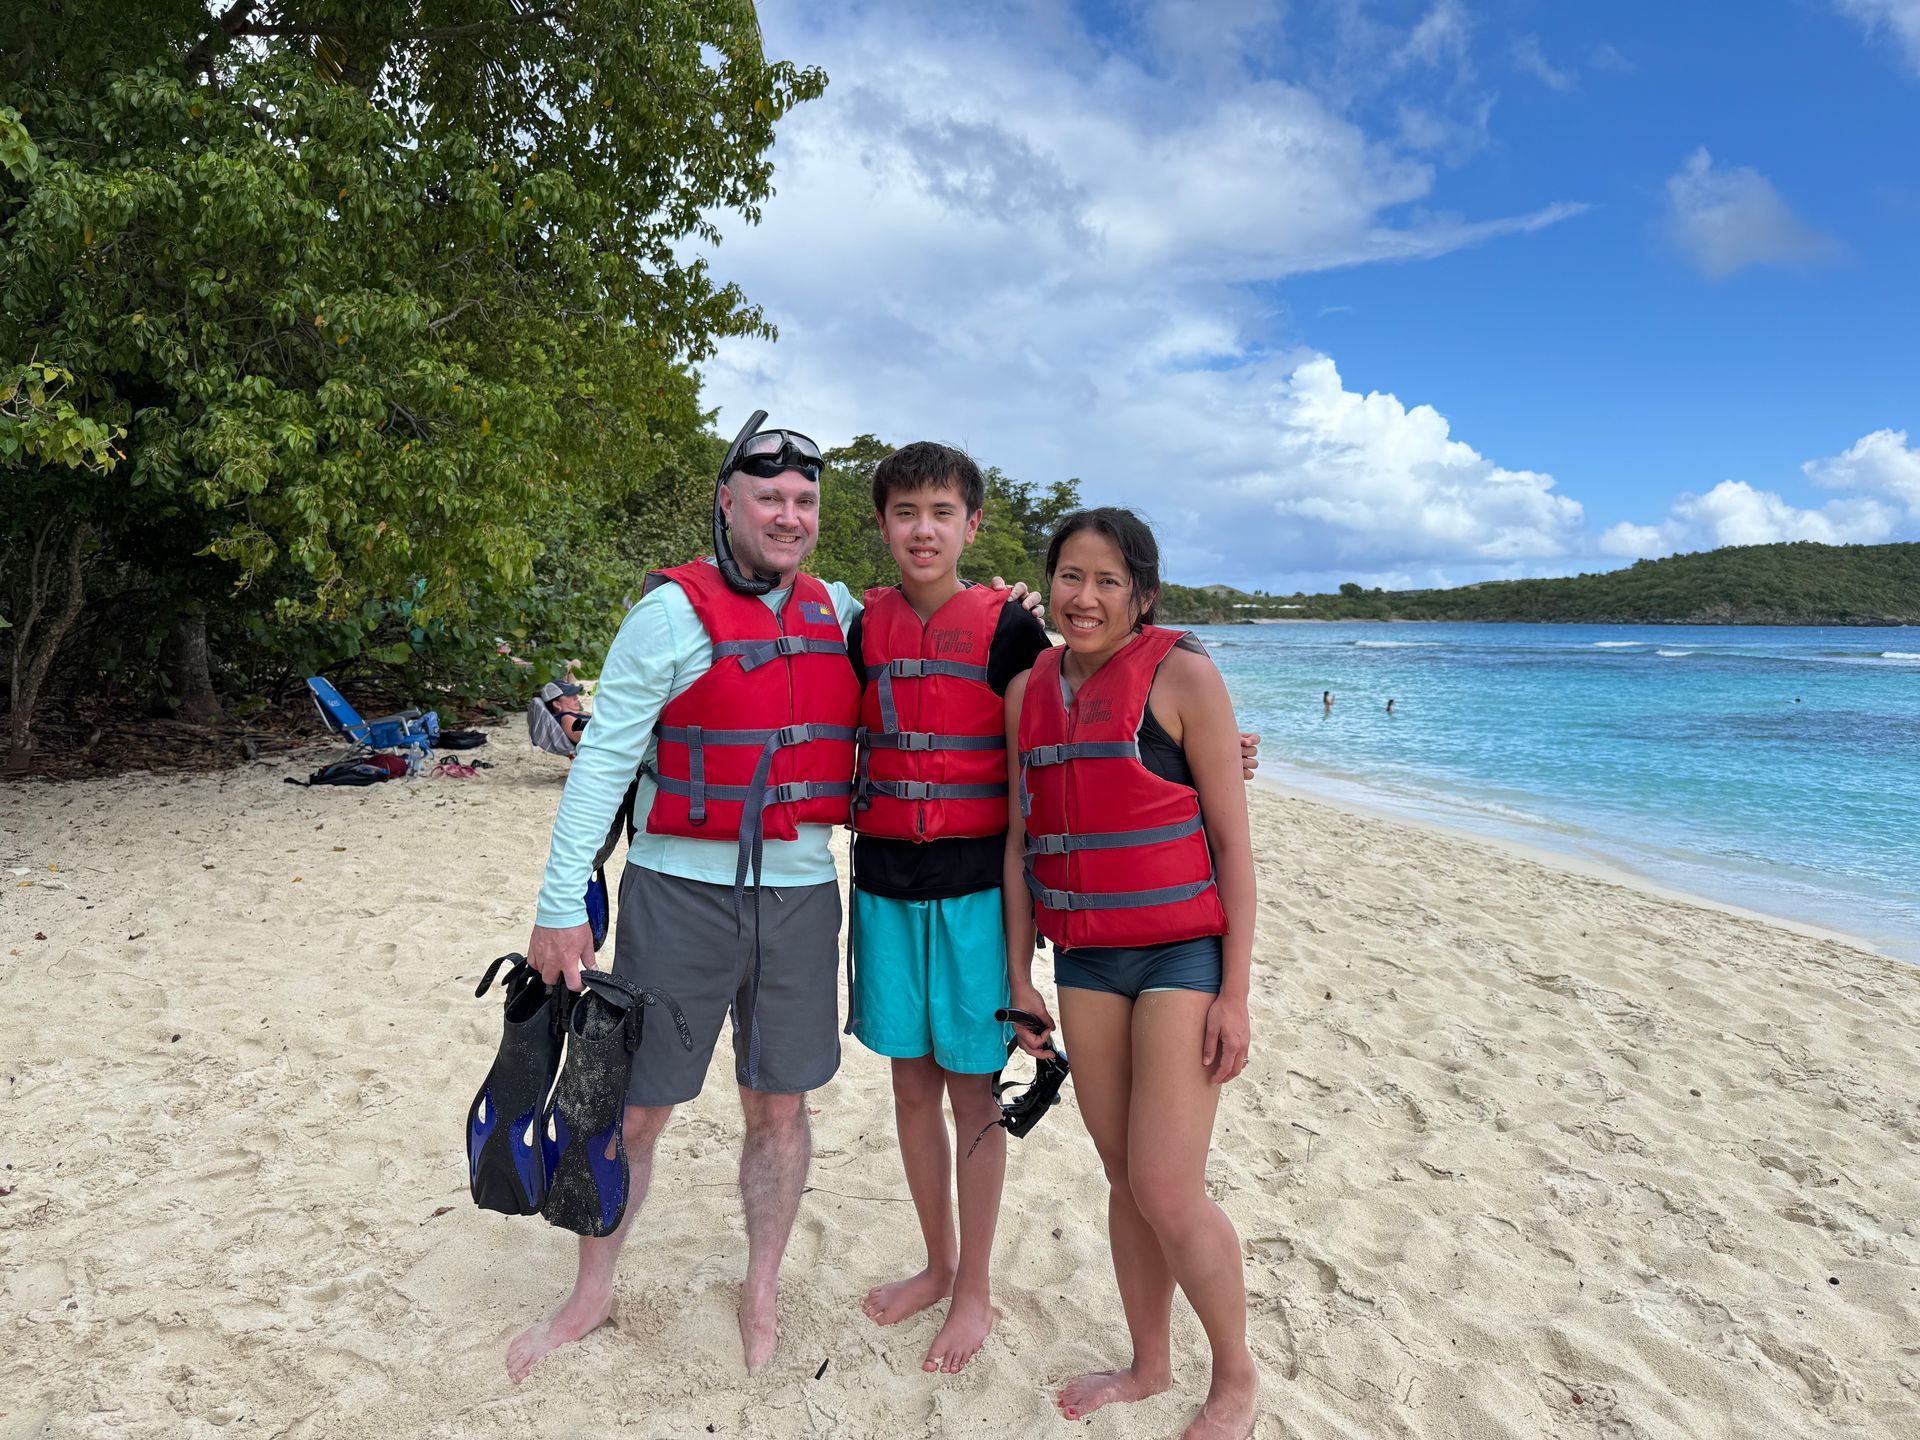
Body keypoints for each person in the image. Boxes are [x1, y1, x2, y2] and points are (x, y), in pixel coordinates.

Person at [506, 417, 1045, 1383]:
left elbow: (966, 647)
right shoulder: (667, 615)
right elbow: (602, 765)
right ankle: (590, 1293)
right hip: (679, 893)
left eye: (804, 502)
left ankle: (762, 1286)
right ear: (728, 502)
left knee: (780, 1110)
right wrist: (559, 905)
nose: (789, 515)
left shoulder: (837, 610)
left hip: (803, 898)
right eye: (770, 498)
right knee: (636, 1111)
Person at [1003, 507, 1259, 1440]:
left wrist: (1234, 993)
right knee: (1121, 1175)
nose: (1087, 597)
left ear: (1142, 596)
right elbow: (1023, 843)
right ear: (1050, 585)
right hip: (1084, 954)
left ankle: (1234, 1376)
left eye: (1110, 581)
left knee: (1166, 1186)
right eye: (1072, 576)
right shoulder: (1032, 685)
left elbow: (1232, 847)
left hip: (1179, 953)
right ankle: (1150, 1363)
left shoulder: (1184, 675)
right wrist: (1019, 978)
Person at [843, 442, 1053, 1375]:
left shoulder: (1012, 633)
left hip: (977, 893)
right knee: (909, 1085)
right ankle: (935, 1263)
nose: (922, 530)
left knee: (975, 1089)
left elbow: (1078, 723)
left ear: (972, 525)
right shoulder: (860, 627)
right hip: (885, 884)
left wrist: (1021, 965)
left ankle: (974, 1288)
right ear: (883, 524)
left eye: (941, 513)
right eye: (904, 512)